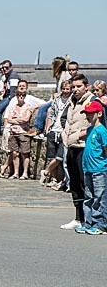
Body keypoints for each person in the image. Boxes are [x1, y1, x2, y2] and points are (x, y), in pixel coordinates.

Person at [60, 73, 95, 230]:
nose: (75, 89)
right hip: (71, 146)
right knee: (74, 184)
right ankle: (78, 217)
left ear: (86, 87)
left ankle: (90, 217)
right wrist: (65, 133)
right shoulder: (71, 101)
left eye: (79, 86)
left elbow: (98, 122)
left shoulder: (92, 101)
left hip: (84, 147)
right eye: (73, 87)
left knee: (84, 183)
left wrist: (82, 133)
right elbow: (63, 118)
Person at [75, 100, 107, 234]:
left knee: (99, 197)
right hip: (88, 169)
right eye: (86, 113)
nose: (87, 116)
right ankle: (88, 222)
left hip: (99, 169)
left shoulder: (102, 131)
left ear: (98, 113)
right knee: (88, 196)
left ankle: (100, 224)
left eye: (90, 113)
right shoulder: (89, 130)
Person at [40, 80, 72, 190]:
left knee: (60, 157)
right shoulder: (57, 99)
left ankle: (45, 172)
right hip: (54, 130)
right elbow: (51, 114)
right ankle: (53, 179)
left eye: (68, 89)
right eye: (64, 89)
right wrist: (48, 128)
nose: (65, 91)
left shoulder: (72, 100)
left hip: (63, 131)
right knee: (51, 156)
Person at [0, 60, 20, 134]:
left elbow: (13, 92)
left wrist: (11, 103)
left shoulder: (13, 76)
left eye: (6, 67)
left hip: (11, 98)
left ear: (11, 67)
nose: (4, 69)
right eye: (2, 68)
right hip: (7, 97)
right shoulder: (7, 77)